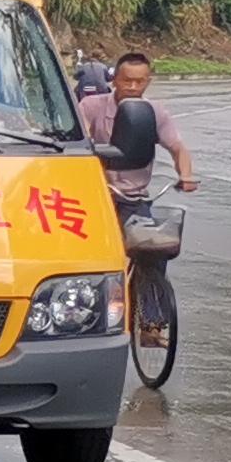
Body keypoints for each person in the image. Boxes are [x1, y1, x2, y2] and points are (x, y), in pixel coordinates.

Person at [85, 51, 198, 347]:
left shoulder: (155, 112)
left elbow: (177, 148)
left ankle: (150, 324)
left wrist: (186, 175)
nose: (133, 87)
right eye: (126, 81)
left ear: (148, 81)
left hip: (133, 196)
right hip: (94, 197)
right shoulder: (92, 106)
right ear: (114, 80)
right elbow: (79, 141)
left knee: (153, 250)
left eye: (140, 81)